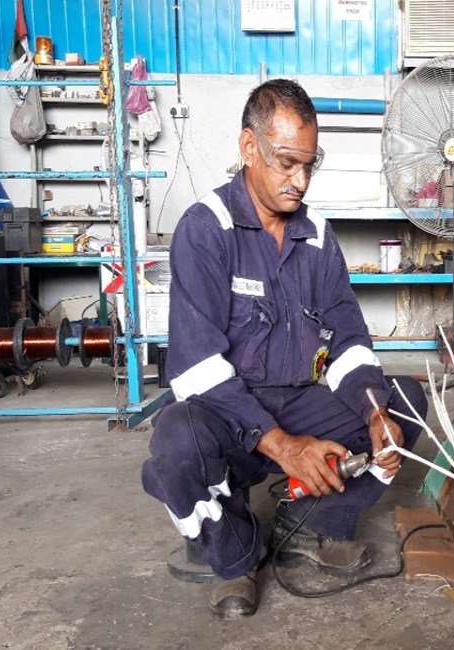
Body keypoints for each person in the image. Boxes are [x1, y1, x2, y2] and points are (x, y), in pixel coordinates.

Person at [141, 79, 426, 619]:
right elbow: (197, 368)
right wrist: (285, 446)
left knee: (405, 402)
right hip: (226, 413)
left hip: (296, 401)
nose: (300, 181)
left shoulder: (315, 235)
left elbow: (347, 339)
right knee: (177, 442)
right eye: (287, 163)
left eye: (309, 165)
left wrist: (373, 412)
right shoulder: (205, 229)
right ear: (249, 147)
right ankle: (235, 555)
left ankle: (310, 524)